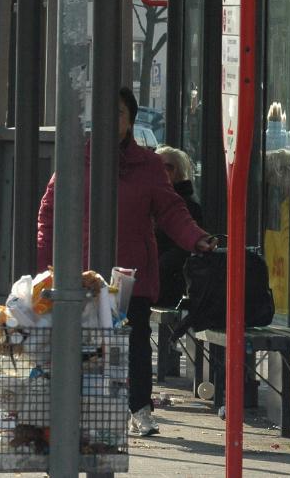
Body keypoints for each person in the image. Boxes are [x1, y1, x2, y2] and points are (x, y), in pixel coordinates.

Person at [35, 87, 216, 436]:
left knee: (133, 342)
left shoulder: (148, 164)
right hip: (85, 272)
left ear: (130, 119)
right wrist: (47, 267)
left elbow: (171, 210)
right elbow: (49, 213)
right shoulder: (76, 158)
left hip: (132, 271)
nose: (109, 119)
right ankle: (82, 409)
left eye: (118, 112)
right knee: (85, 342)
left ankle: (140, 409)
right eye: (103, 111)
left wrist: (196, 238)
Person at [154, 146, 204, 308]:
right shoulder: (149, 200)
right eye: (157, 166)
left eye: (168, 167)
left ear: (179, 172)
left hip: (170, 282)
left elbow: (183, 251)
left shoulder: (187, 205)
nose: (162, 170)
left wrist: (156, 268)